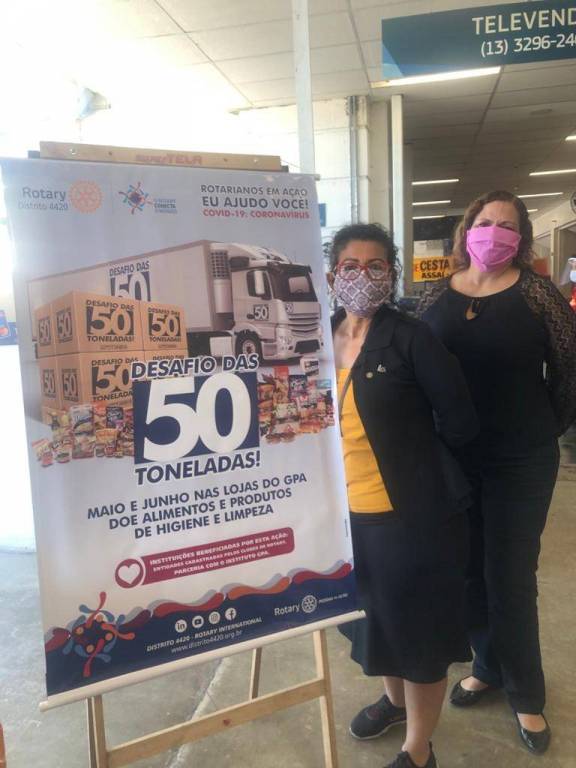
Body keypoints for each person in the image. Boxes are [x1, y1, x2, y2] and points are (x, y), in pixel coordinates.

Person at [418, 190, 576, 755]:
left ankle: (526, 692)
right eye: (485, 222)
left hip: (521, 459)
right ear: (467, 230)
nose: (494, 233)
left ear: (522, 238)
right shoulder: (437, 294)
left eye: (507, 226)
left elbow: (569, 371)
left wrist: (544, 427)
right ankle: (487, 665)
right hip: (454, 459)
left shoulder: (537, 294)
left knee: (510, 575)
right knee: (469, 571)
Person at [330, 223, 479, 768]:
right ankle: (393, 702)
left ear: (392, 274)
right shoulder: (317, 337)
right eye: (350, 266)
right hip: (345, 516)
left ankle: (419, 747)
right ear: (332, 275)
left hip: (410, 517)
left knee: (417, 631)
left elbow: (460, 422)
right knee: (373, 618)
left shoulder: (413, 338)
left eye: (375, 266)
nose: (362, 276)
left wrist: (415, 457)